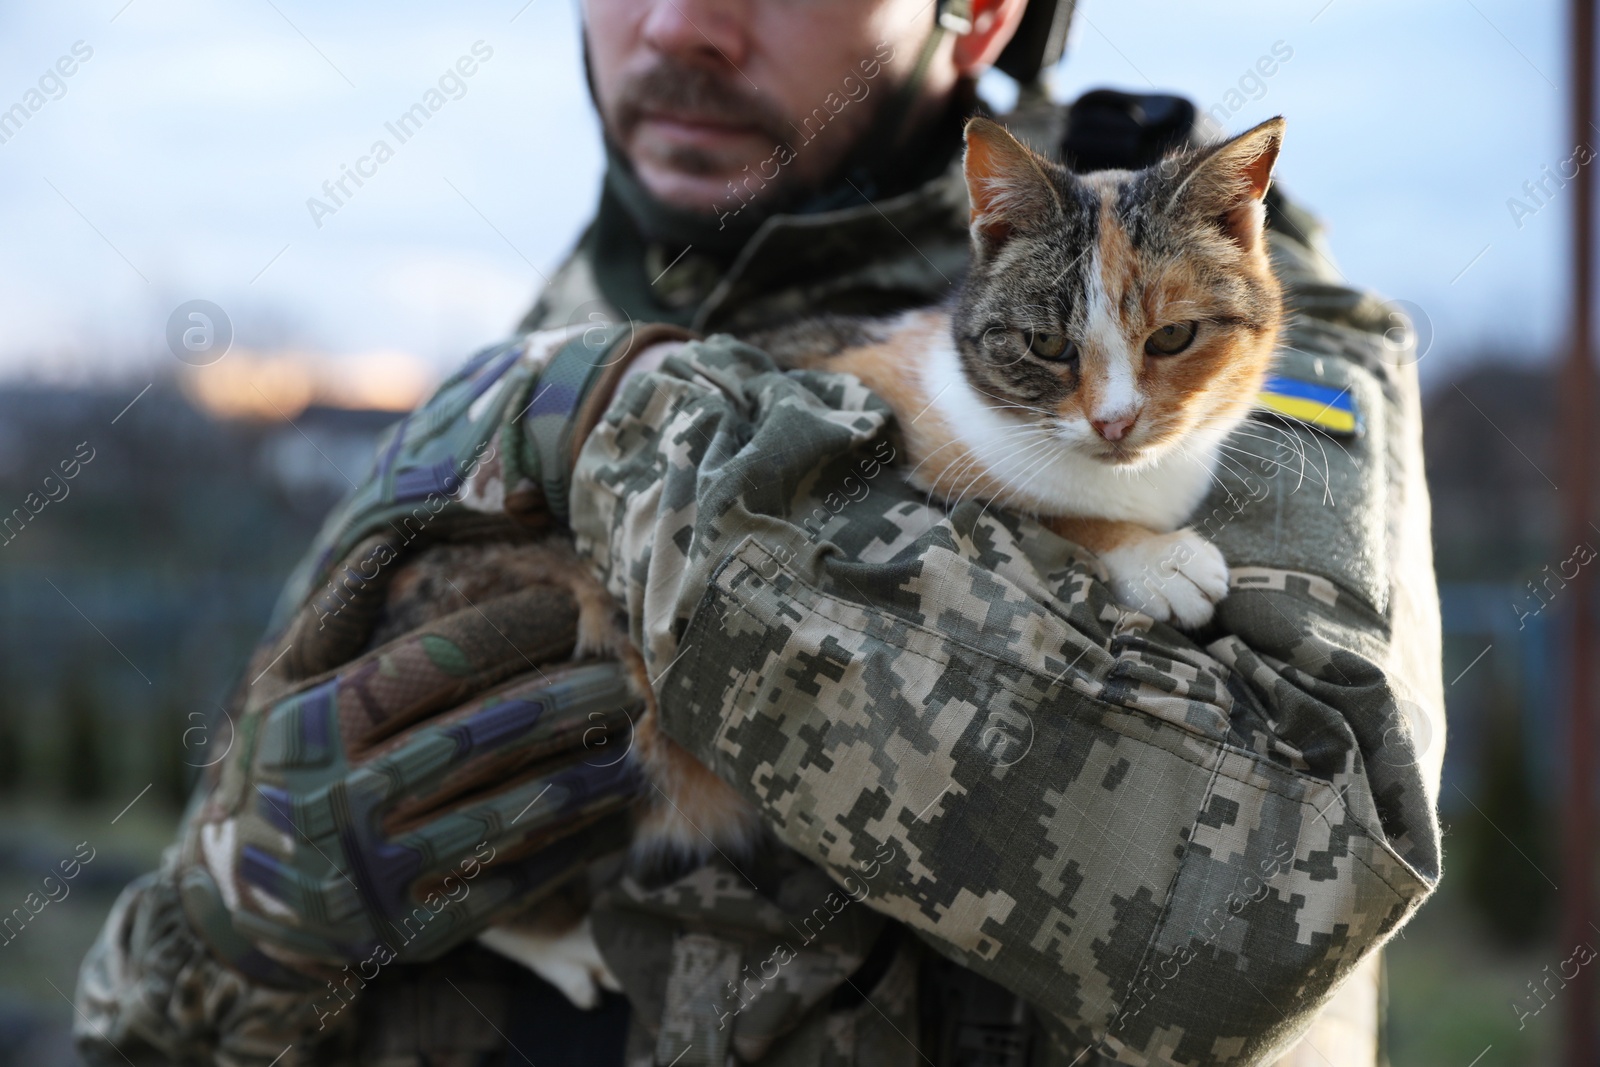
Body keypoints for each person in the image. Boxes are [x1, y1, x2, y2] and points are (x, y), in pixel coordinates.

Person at [74, 1, 1445, 1064]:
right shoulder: (516, 346)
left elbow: (1270, 899)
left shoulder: (1256, 338)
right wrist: (233, 928)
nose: (681, 26)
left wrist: (627, 431)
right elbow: (135, 1023)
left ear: (976, 14)